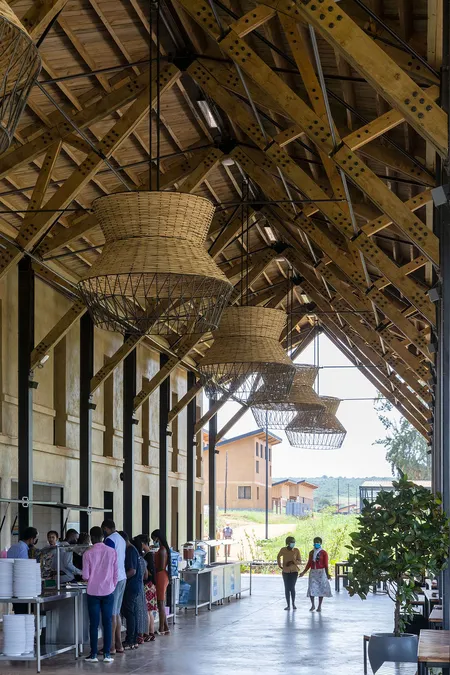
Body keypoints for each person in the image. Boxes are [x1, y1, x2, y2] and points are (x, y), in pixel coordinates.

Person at [82, 526, 118, 664]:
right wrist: (112, 585)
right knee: (107, 622)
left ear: (91, 537)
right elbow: (116, 573)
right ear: (103, 537)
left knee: (94, 623)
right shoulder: (112, 552)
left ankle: (93, 655)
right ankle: (107, 654)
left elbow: (85, 576)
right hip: (108, 590)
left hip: (93, 592)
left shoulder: (87, 553)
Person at [102, 519, 127, 655]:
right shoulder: (121, 539)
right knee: (116, 612)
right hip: (122, 577)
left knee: (111, 613)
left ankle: (110, 646)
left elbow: (108, 559)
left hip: (114, 579)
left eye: (104, 530)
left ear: (106, 528)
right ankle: (118, 644)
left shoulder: (110, 540)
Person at [120, 531, 143, 650]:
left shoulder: (130, 551)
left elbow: (132, 571)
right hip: (133, 585)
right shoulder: (132, 550)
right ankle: (133, 639)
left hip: (131, 586)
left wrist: (120, 578)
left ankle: (130, 639)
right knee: (131, 612)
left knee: (129, 612)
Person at [8, 527, 39, 614]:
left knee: (18, 612)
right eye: (35, 539)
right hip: (22, 587)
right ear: (31, 539)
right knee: (24, 613)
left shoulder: (13, 547)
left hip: (12, 585)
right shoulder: (22, 549)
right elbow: (24, 569)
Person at [299, 536, 332, 612]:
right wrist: (303, 572)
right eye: (315, 542)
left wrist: (327, 574)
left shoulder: (324, 553)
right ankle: (313, 605)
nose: (316, 543)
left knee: (320, 589)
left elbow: (326, 564)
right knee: (311, 588)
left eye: (318, 542)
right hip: (313, 572)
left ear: (320, 543)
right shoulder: (311, 552)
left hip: (321, 572)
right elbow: (309, 563)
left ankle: (319, 606)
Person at [138, 535, 157, 642]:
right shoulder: (150, 554)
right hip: (151, 585)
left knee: (147, 611)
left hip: (147, 586)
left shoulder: (147, 556)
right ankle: (151, 632)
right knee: (150, 611)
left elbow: (149, 572)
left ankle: (146, 633)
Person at [151, 529, 170, 635]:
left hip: (161, 575)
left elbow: (161, 566)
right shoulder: (162, 549)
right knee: (160, 602)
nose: (153, 541)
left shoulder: (162, 550)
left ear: (157, 538)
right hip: (162, 575)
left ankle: (161, 628)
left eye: (153, 539)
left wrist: (153, 569)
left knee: (160, 602)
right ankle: (166, 627)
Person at [277, 536, 301, 611]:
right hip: (285, 571)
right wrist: (280, 565)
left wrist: (293, 562)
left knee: (292, 587)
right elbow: (278, 556)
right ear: (288, 543)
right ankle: (288, 605)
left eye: (294, 542)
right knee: (287, 588)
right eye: (291, 542)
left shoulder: (296, 550)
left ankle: (293, 603)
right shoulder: (283, 550)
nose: (293, 544)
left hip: (294, 571)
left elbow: (299, 561)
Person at [132, 537, 148, 645]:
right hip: (141, 586)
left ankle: (136, 635)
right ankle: (141, 634)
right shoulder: (142, 560)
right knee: (141, 610)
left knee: (135, 611)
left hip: (134, 586)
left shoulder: (134, 559)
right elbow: (146, 576)